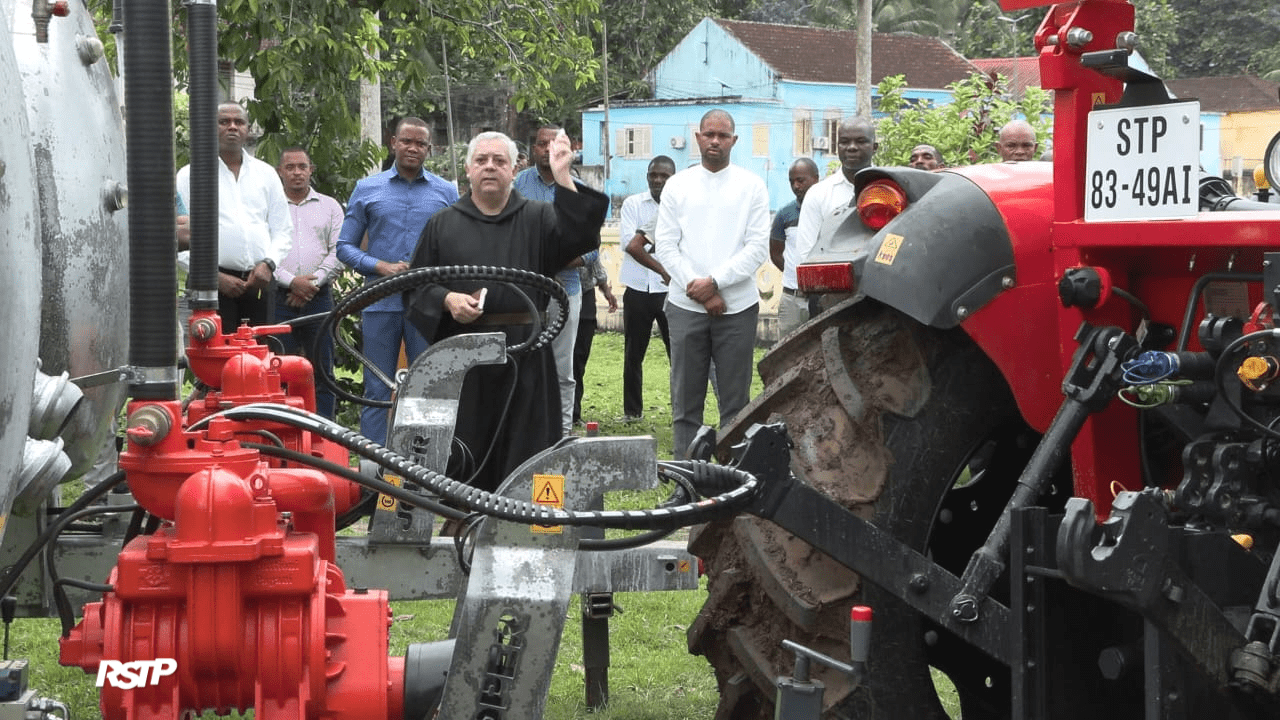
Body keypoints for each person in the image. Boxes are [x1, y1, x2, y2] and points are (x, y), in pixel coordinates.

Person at [405, 130, 606, 492]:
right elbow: (417, 286)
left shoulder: (539, 219)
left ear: (515, 170)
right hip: (464, 357)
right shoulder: (442, 224)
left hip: (526, 353)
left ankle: (529, 516)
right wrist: (448, 300)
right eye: (481, 160)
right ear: (468, 170)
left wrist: (562, 177)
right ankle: (462, 515)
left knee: (529, 444)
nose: (490, 167)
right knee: (467, 443)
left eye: (499, 161)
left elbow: (581, 237)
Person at [654, 109, 769, 460]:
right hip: (686, 306)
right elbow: (665, 245)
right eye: (709, 134)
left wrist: (716, 282)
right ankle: (686, 476)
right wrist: (699, 288)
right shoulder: (678, 185)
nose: (715, 141)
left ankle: (732, 478)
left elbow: (757, 247)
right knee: (686, 398)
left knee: (735, 400)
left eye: (723, 135)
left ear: (734, 140)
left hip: (737, 308)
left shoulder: (752, 186)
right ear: (698, 137)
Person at [337, 117, 458, 446]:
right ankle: (373, 469)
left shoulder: (446, 191)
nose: (413, 148)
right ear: (393, 142)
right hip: (379, 302)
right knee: (377, 387)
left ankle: (421, 470)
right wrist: (380, 266)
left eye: (421, 143)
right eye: (407, 141)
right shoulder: (368, 189)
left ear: (429, 149)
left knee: (424, 388)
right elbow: (344, 248)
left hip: (428, 305)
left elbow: (457, 246)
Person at [514, 125, 600, 435]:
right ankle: (525, 432)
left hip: (566, 290)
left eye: (555, 145)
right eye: (541, 144)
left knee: (563, 368)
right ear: (533, 148)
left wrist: (557, 259)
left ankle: (561, 433)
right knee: (522, 363)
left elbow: (591, 249)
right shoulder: (517, 186)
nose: (547, 151)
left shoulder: (576, 189)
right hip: (524, 291)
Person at [177, 102, 292, 330]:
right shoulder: (191, 175)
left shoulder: (266, 174)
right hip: (210, 285)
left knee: (258, 357)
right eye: (224, 122)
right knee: (214, 358)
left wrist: (268, 264)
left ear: (247, 130)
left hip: (259, 282)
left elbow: (283, 230)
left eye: (238, 122)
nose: (232, 127)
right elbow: (179, 239)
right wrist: (214, 277)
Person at [273, 147, 344, 419]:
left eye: (302, 166)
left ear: (311, 170)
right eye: (290, 167)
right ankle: (283, 431)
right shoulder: (271, 206)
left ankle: (325, 433)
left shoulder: (330, 206)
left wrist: (310, 285)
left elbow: (339, 249)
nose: (297, 172)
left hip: (319, 297)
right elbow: (261, 250)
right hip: (279, 298)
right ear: (280, 171)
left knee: (322, 368)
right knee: (278, 368)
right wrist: (291, 282)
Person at [619, 156, 677, 421]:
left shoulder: (679, 206)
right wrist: (660, 263)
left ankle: (681, 409)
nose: (658, 180)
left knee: (676, 353)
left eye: (664, 176)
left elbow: (644, 245)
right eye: (653, 175)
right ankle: (632, 412)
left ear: (673, 178)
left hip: (670, 292)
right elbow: (630, 246)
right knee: (633, 354)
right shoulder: (633, 204)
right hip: (638, 287)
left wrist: (648, 245)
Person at [796, 116, 878, 264]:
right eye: (844, 142)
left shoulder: (892, 189)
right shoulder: (818, 194)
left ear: (875, 147)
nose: (852, 147)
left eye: (861, 141)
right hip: (832, 283)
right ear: (837, 147)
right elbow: (806, 253)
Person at [770, 157, 820, 337]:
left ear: (816, 178)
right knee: (787, 355)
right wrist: (794, 273)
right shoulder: (784, 214)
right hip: (792, 298)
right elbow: (775, 254)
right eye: (792, 181)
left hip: (823, 297)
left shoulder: (828, 210)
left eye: (801, 180)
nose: (796, 186)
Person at [572, 256, 617, 426]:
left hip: (585, 294)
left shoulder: (586, 231)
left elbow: (595, 260)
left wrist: (606, 290)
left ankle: (574, 413)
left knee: (579, 357)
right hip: (557, 292)